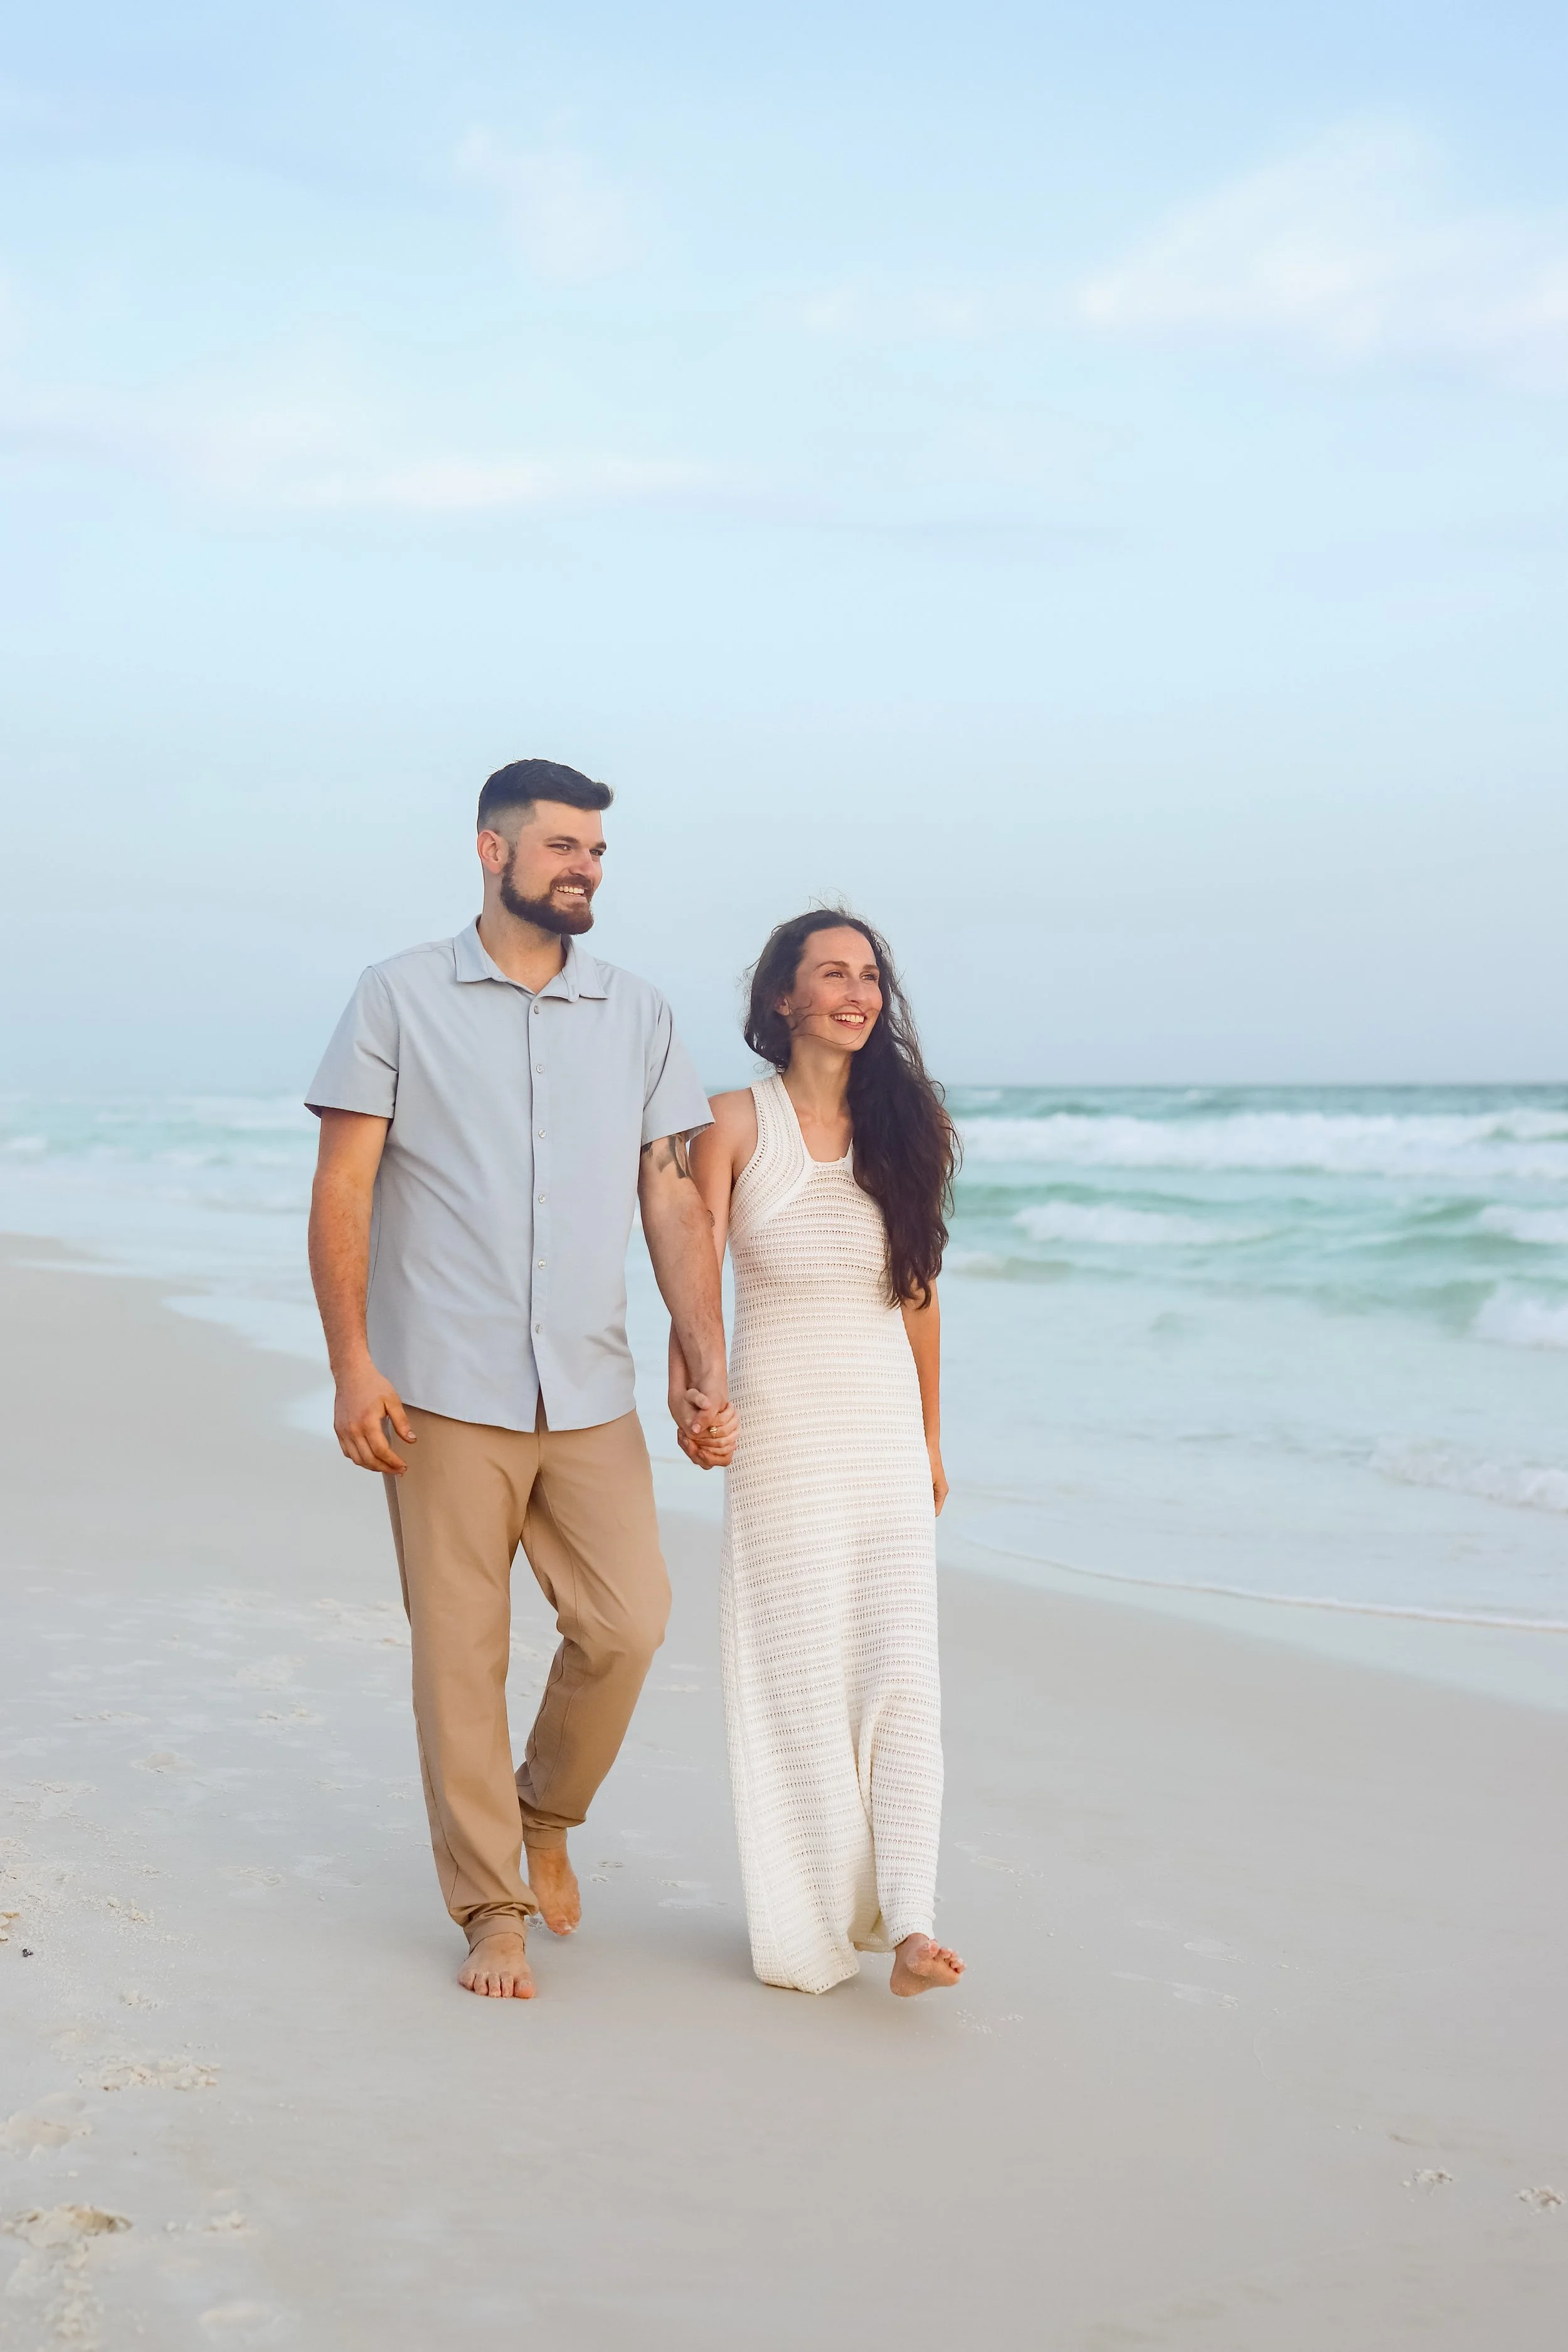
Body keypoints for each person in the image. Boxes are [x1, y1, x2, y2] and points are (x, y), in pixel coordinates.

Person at [305, 758, 734, 2001]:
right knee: (459, 1652)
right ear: (492, 852)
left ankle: (545, 1810)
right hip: (438, 1381)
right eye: (560, 848)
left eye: (594, 852)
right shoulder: (395, 997)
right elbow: (343, 1187)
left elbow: (669, 1195)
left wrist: (703, 1364)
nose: (582, 869)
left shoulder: (638, 1012)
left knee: (628, 1622)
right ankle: (490, 1907)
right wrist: (351, 1364)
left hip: (587, 1385)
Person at [681, 911, 965, 1996]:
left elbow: (920, 1291)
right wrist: (696, 1392)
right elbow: (690, 1268)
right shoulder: (730, 1121)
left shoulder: (910, 1124)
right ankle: (806, 1921)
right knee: (801, 1672)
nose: (858, 991)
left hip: (884, 1428)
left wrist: (933, 1438)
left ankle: (910, 1923)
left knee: (904, 1671)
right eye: (833, 973)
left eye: (871, 975)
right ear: (782, 999)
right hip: (782, 1429)